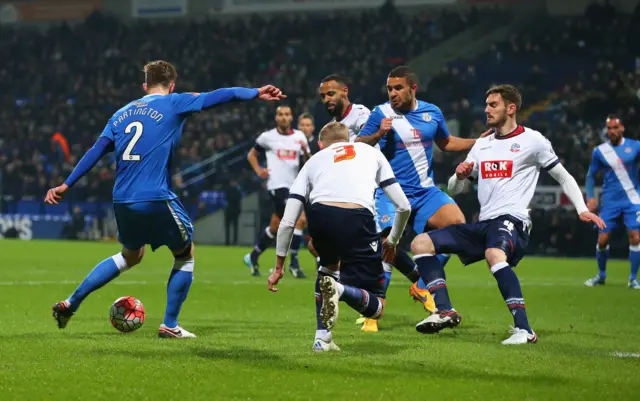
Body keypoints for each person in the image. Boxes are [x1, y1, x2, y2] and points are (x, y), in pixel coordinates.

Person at [45, 60, 285, 338]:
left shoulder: (120, 114)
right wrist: (255, 92)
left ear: (144, 85)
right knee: (185, 254)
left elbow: (95, 151)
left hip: (122, 199)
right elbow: (221, 95)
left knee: (131, 255)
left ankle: (72, 302)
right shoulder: (174, 102)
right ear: (172, 85)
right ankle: (170, 324)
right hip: (155, 196)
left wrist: (66, 184)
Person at [410, 84, 605, 344]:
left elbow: (563, 176)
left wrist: (582, 209)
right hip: (483, 224)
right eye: (487, 104)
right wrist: (459, 175)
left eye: (493, 105)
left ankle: (525, 330)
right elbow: (456, 189)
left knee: (494, 254)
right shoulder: (482, 145)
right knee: (420, 243)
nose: (487, 110)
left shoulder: (532, 141)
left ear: (510, 108)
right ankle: (445, 311)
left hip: (513, 220)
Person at [356, 66, 483, 330]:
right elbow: (357, 146)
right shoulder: (381, 114)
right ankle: (373, 312)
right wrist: (378, 134)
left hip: (425, 192)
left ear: (413, 88)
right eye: (389, 89)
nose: (392, 93)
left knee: (457, 230)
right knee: (387, 247)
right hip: (390, 192)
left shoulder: (432, 112)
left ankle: (422, 285)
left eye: (398, 88)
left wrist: (477, 142)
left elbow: (446, 143)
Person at [267, 122, 411, 352]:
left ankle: (322, 339)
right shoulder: (371, 153)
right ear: (349, 138)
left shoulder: (313, 161)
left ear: (321, 144)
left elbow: (287, 222)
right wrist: (392, 242)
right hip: (358, 216)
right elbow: (404, 207)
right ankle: (340, 290)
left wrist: (278, 267)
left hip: (320, 215)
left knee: (327, 266)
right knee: (377, 308)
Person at [320, 73, 432, 332]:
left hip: (374, 187)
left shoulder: (361, 114)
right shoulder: (334, 126)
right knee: (374, 246)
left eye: (331, 94)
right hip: (355, 190)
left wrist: (378, 133)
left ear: (345, 91)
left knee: (379, 244)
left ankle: (374, 310)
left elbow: (371, 143)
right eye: (323, 96)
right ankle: (419, 282)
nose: (327, 99)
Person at [244, 106, 310, 278]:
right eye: (280, 114)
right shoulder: (267, 137)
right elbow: (251, 155)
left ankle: (253, 256)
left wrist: (305, 152)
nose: (283, 117)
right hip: (277, 186)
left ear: (291, 117)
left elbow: (309, 162)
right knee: (299, 219)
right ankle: (294, 264)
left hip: (294, 186)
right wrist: (259, 171)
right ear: (276, 118)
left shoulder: (299, 136)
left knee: (275, 226)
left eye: (287, 114)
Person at [584, 116, 640, 289]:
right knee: (602, 240)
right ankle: (601, 276)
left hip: (633, 199)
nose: (612, 131)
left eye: (615, 127)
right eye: (609, 128)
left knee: (636, 238)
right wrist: (591, 197)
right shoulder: (600, 151)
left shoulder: (636, 146)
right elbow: (590, 176)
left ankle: (632, 279)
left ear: (622, 128)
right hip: (610, 201)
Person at [224, 180, 242, 246]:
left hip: (233, 210)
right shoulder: (232, 190)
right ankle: (228, 242)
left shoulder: (236, 190)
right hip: (230, 210)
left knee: (234, 227)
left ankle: (234, 241)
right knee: (229, 227)